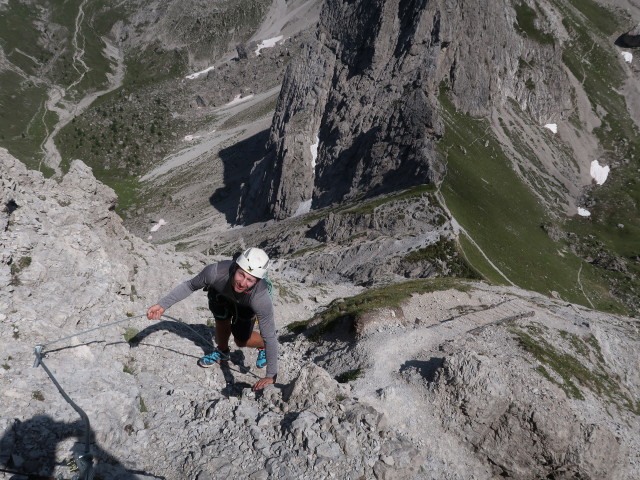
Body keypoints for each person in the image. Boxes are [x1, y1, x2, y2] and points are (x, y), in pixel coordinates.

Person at [147, 247, 277, 391]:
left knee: (241, 340)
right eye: (241, 274)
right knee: (221, 320)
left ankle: (262, 346)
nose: (242, 283)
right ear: (235, 267)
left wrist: (271, 375)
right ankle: (222, 352)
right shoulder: (215, 272)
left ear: (257, 281)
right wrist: (163, 305)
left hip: (246, 305)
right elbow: (189, 285)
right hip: (220, 294)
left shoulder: (260, 298)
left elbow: (269, 335)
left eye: (250, 280)